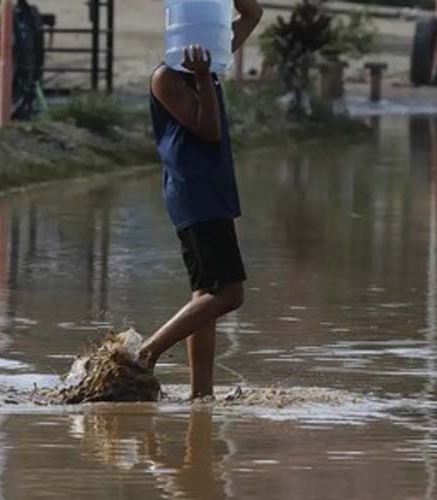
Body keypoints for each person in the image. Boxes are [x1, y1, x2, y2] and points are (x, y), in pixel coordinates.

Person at [139, 0, 263, 399]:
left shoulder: (216, 59)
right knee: (229, 294)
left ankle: (201, 396)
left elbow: (253, 15)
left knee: (204, 296)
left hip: (210, 190)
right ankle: (147, 351)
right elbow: (208, 131)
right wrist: (205, 77)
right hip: (195, 194)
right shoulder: (167, 79)